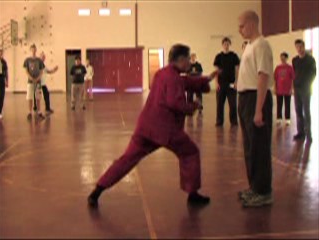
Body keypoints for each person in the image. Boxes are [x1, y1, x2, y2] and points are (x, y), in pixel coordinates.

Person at [87, 44, 219, 208]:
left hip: (145, 127)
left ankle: (98, 190)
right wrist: (194, 105)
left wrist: (207, 79)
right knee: (190, 152)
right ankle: (192, 194)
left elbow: (186, 81)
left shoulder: (163, 73)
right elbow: (174, 102)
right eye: (188, 58)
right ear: (182, 59)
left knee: (127, 159)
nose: (190, 63)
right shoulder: (174, 77)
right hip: (166, 130)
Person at [237, 10, 274, 207]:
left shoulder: (261, 45)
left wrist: (259, 109)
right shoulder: (250, 46)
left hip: (255, 98)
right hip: (245, 99)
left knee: (259, 147)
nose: (239, 29)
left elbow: (263, 77)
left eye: (242, 25)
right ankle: (254, 187)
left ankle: (264, 192)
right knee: (250, 147)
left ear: (252, 23)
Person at [292, 39, 317, 143]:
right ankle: (300, 133)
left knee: (306, 111)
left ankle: (308, 134)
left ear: (303, 46)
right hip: (297, 89)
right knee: (298, 111)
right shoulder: (295, 60)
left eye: (301, 47)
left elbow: (313, 73)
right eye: (297, 47)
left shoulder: (310, 59)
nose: (299, 49)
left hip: (306, 89)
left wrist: (307, 83)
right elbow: (295, 73)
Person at [213, 37, 240, 127]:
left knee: (233, 104)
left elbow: (237, 70)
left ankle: (234, 121)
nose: (226, 45)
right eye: (225, 44)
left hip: (231, 84)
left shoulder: (234, 56)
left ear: (229, 45)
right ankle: (219, 121)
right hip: (221, 84)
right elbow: (216, 71)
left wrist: (236, 81)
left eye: (228, 44)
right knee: (219, 104)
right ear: (222, 45)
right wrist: (216, 83)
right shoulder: (218, 57)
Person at [23, 44, 45, 120]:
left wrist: (37, 78)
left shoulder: (39, 60)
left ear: (36, 50)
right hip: (30, 81)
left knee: (38, 97)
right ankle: (29, 112)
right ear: (30, 50)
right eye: (32, 49)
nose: (33, 50)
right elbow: (26, 71)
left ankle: (39, 112)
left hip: (38, 81)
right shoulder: (27, 60)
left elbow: (42, 71)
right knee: (30, 97)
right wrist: (31, 78)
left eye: (35, 49)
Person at [274, 52, 294, 126]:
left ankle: (287, 119)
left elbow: (292, 79)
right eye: (281, 57)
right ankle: (279, 118)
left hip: (287, 89)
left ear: (286, 58)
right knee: (279, 104)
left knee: (287, 104)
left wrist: (291, 88)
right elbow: (275, 79)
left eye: (284, 57)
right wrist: (275, 88)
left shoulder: (290, 68)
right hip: (279, 89)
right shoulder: (278, 68)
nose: (282, 59)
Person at [0, 48, 8, 120]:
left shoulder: (4, 62)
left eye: (1, 53)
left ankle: (0, 111)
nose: (0, 54)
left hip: (1, 78)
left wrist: (7, 80)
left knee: (2, 95)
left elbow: (6, 72)